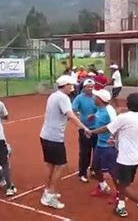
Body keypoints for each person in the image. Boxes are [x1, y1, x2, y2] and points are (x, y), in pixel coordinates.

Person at [90, 93, 138, 219]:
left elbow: (107, 128)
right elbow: (128, 133)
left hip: (124, 158)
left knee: (122, 185)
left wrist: (91, 132)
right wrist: (116, 141)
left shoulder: (124, 117)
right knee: (125, 184)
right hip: (135, 157)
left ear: (128, 104)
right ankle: (121, 206)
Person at [39, 75, 90, 209]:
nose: (73, 88)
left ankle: (47, 191)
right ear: (65, 85)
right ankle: (49, 195)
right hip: (55, 137)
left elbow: (61, 115)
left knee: (50, 164)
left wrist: (71, 118)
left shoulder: (53, 96)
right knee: (60, 165)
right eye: (71, 85)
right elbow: (70, 115)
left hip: (46, 135)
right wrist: (84, 127)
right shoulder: (63, 98)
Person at [88, 89, 119, 199]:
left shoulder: (109, 111)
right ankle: (102, 186)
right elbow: (99, 115)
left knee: (113, 171)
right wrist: (93, 116)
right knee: (96, 167)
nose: (93, 98)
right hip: (100, 144)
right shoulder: (100, 109)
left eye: (95, 97)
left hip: (108, 146)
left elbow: (116, 126)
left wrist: (112, 139)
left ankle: (120, 194)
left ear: (100, 100)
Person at [72, 79, 98, 183]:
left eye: (92, 86)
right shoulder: (79, 98)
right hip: (84, 129)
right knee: (84, 152)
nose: (90, 88)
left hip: (96, 129)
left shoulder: (96, 98)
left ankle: (94, 170)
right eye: (88, 86)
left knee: (97, 151)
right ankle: (82, 173)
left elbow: (101, 110)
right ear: (84, 87)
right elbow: (73, 110)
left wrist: (95, 116)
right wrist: (78, 118)